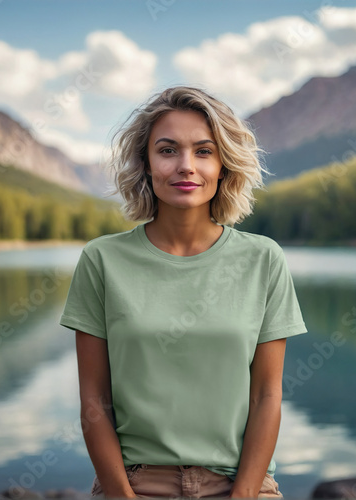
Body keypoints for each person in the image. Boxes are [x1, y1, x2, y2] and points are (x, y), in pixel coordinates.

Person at [59, 86, 307, 498]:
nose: (186, 166)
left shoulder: (264, 259)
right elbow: (94, 399)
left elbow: (267, 395)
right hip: (136, 483)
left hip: (240, 483)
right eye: (168, 150)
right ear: (146, 163)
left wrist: (244, 495)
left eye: (204, 151)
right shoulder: (102, 260)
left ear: (224, 165)